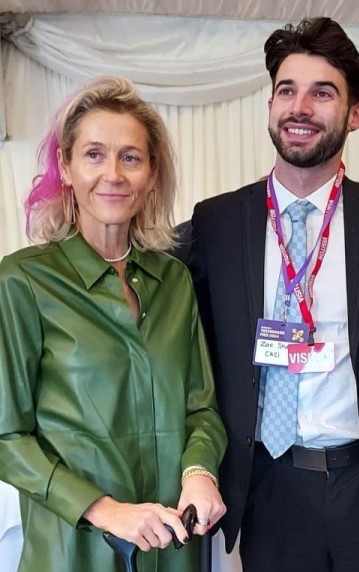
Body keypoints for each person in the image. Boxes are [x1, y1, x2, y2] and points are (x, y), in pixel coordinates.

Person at [175, 16, 359, 572]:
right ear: (269, 106)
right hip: (270, 486)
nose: (300, 107)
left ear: (355, 114)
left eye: (322, 93)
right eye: (286, 90)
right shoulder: (216, 223)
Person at [0, 76, 227, 572]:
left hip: (174, 547)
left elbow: (202, 410)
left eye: (130, 157)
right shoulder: (22, 281)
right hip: (72, 549)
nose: (113, 174)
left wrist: (199, 473)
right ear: (66, 166)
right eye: (94, 154)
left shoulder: (174, 281)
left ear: (151, 173)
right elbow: (6, 438)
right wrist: (105, 511)